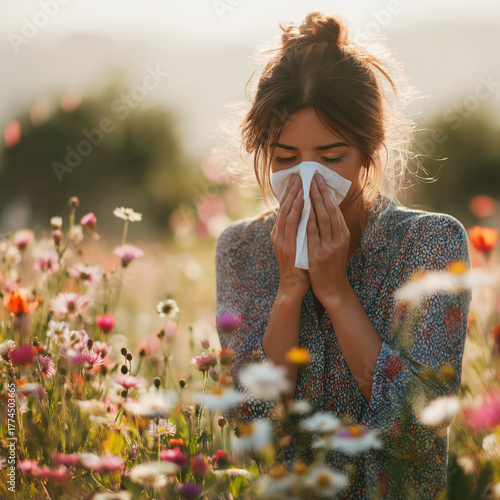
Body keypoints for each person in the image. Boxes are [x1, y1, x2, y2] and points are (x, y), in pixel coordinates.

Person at [214, 11, 471, 500]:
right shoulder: (241, 250)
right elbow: (251, 430)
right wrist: (290, 290)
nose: (308, 180)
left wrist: (335, 292)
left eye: (332, 158)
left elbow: (416, 434)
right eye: (286, 159)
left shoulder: (430, 244)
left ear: (369, 150)